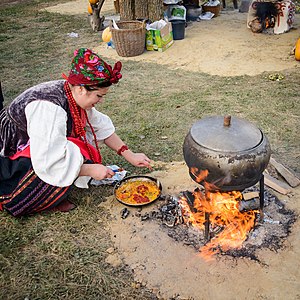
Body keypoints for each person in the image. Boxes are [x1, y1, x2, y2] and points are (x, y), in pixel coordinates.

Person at [0, 48, 151, 217]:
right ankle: (36, 197)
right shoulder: (49, 109)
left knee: (76, 147)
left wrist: (130, 155)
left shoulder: (73, 95)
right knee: (59, 161)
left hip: (41, 142)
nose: (100, 101)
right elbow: (47, 160)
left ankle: (60, 185)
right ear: (81, 89)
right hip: (13, 148)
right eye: (99, 96)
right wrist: (89, 170)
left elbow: (100, 126)